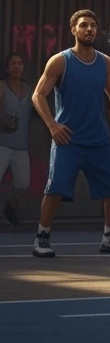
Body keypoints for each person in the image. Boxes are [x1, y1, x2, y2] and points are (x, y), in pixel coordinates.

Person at [30, 10, 110, 258]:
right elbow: (37, 95)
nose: (89, 29)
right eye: (84, 25)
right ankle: (41, 238)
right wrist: (52, 125)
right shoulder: (60, 61)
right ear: (73, 30)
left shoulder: (105, 62)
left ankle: (109, 237)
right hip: (69, 139)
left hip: (99, 138)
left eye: (93, 26)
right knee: (55, 189)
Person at [0, 53, 34, 226]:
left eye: (20, 63)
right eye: (13, 63)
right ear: (6, 68)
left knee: (23, 183)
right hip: (3, 144)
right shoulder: (2, 86)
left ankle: (7, 205)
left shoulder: (30, 89)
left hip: (21, 147)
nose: (16, 66)